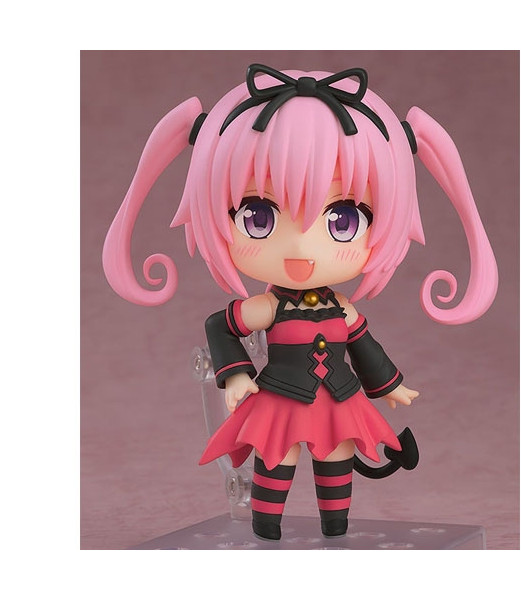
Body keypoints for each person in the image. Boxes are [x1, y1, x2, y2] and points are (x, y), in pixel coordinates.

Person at [103, 64, 498, 541]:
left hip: (337, 399)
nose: (300, 248)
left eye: (343, 220)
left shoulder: (343, 310)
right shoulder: (269, 308)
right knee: (278, 459)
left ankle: (336, 525)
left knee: (337, 458)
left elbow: (364, 346)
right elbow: (219, 325)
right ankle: (267, 525)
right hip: (282, 401)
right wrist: (235, 375)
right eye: (258, 216)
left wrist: (390, 386)